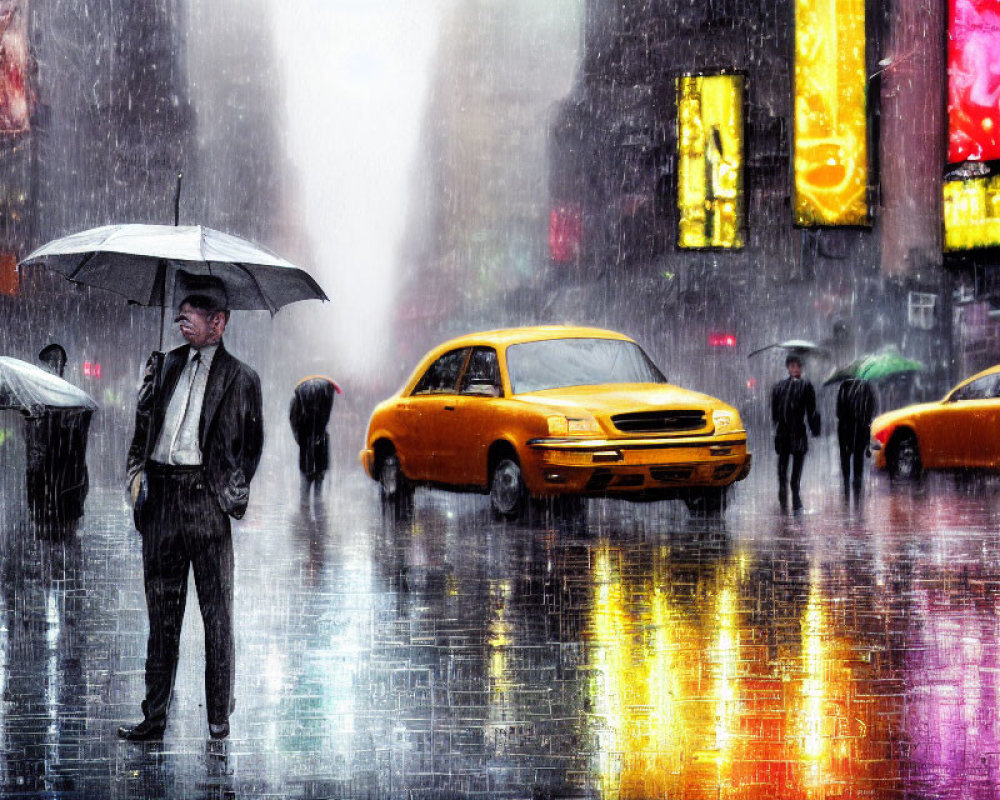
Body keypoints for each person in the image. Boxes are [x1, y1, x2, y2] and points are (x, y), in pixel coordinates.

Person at [119, 278, 263, 742]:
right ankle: (153, 716)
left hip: (205, 503)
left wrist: (228, 492)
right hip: (160, 502)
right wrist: (137, 477)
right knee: (161, 618)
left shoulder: (242, 378)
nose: (182, 319)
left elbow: (251, 446)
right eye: (179, 312)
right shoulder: (164, 365)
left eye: (192, 313)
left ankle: (217, 719)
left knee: (216, 618)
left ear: (218, 323)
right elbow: (143, 429)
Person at [25, 343, 92, 529]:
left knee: (62, 538)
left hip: (64, 485)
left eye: (53, 364)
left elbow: (73, 445)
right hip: (48, 484)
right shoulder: (38, 398)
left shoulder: (69, 401)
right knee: (47, 537)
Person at [771, 353, 821, 513]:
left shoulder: (806, 386)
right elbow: (775, 411)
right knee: (782, 468)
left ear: (801, 368)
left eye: (797, 366)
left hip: (798, 432)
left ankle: (795, 495)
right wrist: (778, 423)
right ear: (788, 367)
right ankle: (782, 493)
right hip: (783, 433)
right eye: (791, 365)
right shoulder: (779, 387)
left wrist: (815, 428)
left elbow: (811, 410)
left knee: (796, 469)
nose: (794, 368)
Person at [289, 375, 341, 509]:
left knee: (305, 487)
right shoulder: (323, 411)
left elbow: (294, 423)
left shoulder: (299, 406)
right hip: (319, 451)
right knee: (318, 489)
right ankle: (317, 515)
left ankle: (305, 511)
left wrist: (301, 440)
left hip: (307, 451)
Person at [836, 377, 878, 499]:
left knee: (848, 458)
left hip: (849, 429)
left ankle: (848, 486)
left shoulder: (845, 387)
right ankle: (855, 486)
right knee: (856, 458)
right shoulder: (865, 387)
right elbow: (872, 409)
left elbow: (838, 411)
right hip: (856, 428)